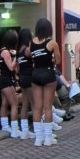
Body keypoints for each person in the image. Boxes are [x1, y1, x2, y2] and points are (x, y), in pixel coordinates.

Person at [27, 17, 61, 146]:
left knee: (37, 107)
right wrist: (49, 60)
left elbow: (31, 56)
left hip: (35, 74)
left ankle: (38, 138)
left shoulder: (31, 43)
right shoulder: (52, 43)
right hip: (48, 74)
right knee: (47, 107)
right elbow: (58, 61)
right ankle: (48, 138)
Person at [0, 30, 20, 137]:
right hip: (6, 80)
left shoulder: (1, 51)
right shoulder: (7, 52)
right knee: (14, 104)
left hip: (2, 79)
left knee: (4, 103)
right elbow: (11, 67)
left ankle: (5, 126)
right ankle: (15, 129)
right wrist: (16, 59)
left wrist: (1, 65)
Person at [16, 28, 35, 139]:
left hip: (22, 78)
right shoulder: (28, 50)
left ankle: (25, 131)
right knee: (34, 105)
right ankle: (39, 129)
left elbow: (17, 69)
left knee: (25, 104)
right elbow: (35, 61)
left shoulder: (18, 52)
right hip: (29, 79)